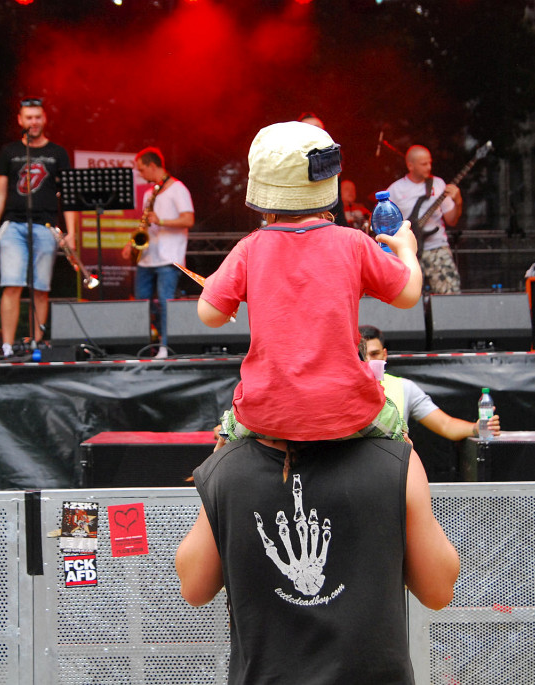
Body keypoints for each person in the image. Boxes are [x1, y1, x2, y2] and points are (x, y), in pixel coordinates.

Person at [198, 121, 422, 447]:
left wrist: (223, 289)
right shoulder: (353, 243)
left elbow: (209, 315)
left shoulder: (249, 247)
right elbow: (409, 295)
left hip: (265, 411)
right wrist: (408, 250)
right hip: (346, 406)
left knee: (219, 457)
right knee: (405, 451)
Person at [175, 436, 460, 682]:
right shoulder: (394, 461)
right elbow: (438, 591)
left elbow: (194, 588)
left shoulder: (228, 468)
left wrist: (218, 475)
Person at [0, 97, 78, 357]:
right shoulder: (9, 151)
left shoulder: (58, 153)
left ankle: (36, 344)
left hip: (45, 226)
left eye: (37, 117)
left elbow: (68, 195)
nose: (33, 122)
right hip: (14, 225)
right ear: (20, 120)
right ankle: (7, 346)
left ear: (44, 119)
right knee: (11, 284)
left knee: (41, 288)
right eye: (29, 117)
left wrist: (71, 232)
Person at [360, 325, 501, 440]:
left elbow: (445, 425)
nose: (368, 360)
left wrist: (476, 428)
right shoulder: (346, 388)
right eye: (362, 355)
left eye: (374, 354)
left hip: (392, 462)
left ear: (384, 355)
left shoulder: (404, 387)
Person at [121, 147, 195, 358]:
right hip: (147, 258)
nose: (140, 174)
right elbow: (145, 226)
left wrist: (161, 220)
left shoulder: (178, 188)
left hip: (169, 258)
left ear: (153, 166)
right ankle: (146, 345)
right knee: (141, 304)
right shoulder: (149, 193)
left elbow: (188, 219)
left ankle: (166, 346)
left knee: (165, 303)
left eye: (142, 169)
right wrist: (131, 243)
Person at [387, 144, 463, 294]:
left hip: (436, 247)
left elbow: (452, 220)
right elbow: (384, 224)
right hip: (408, 252)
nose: (429, 167)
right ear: (410, 166)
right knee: (405, 295)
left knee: (450, 294)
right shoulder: (395, 190)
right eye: (423, 164)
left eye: (430, 163)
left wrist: (458, 201)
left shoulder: (438, 184)